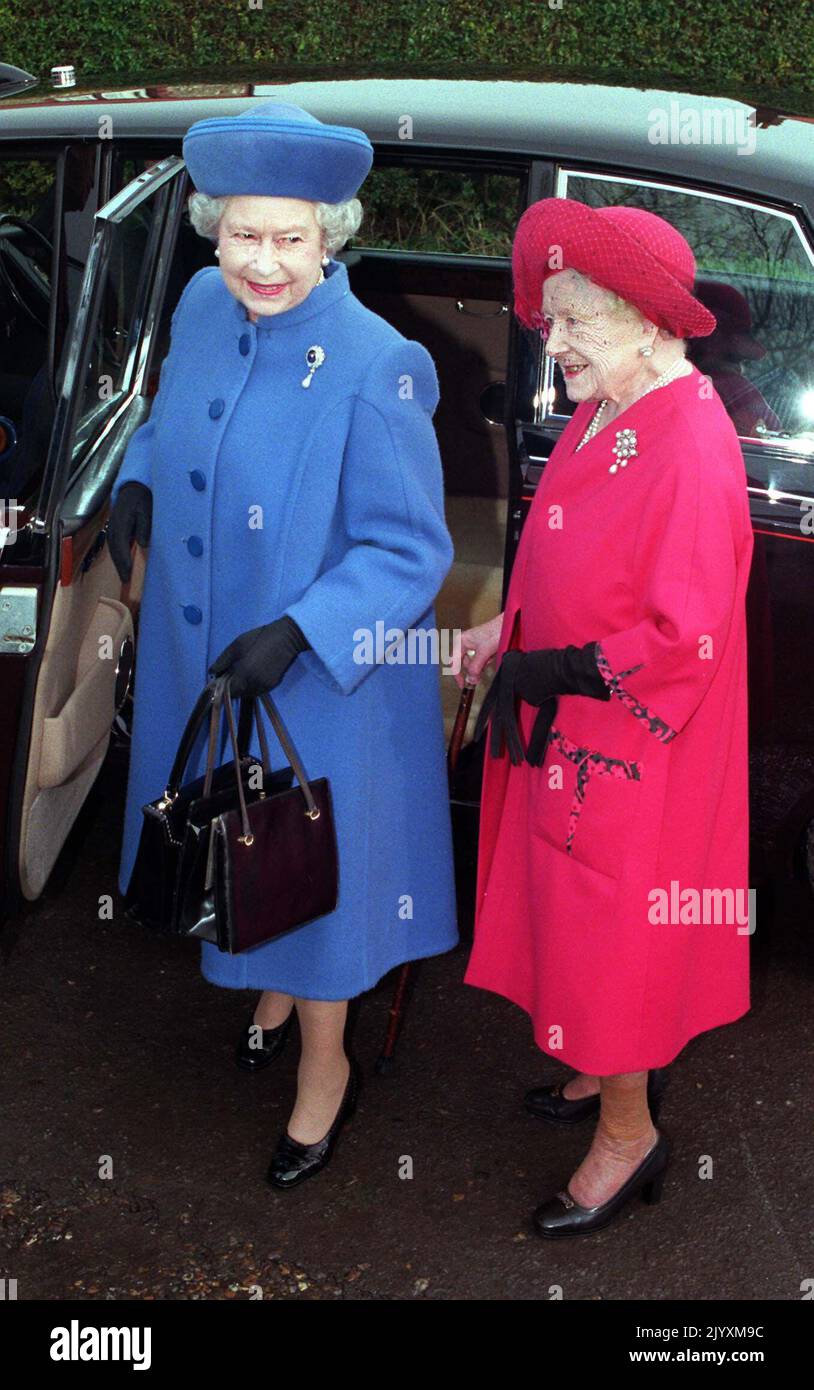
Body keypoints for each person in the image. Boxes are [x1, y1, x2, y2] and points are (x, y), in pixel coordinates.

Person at [107, 104, 458, 1189]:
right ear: (213, 229)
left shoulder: (378, 364)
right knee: (241, 849)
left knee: (311, 883)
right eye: (243, 234)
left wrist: (300, 630)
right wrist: (135, 483)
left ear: (332, 236)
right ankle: (262, 980)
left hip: (314, 682)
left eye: (290, 238)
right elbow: (171, 420)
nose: (263, 262)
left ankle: (323, 1071)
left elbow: (411, 549)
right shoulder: (203, 301)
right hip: (204, 658)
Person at [458, 199, 753, 1237]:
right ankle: (596, 1064)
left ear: (648, 318)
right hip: (573, 722)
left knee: (613, 936)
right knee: (574, 919)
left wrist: (559, 668)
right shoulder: (607, 404)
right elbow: (562, 545)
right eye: (553, 315)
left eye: (578, 316)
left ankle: (629, 1133)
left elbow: (683, 637)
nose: (555, 339)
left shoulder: (689, 444)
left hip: (633, 742)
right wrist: (506, 628)